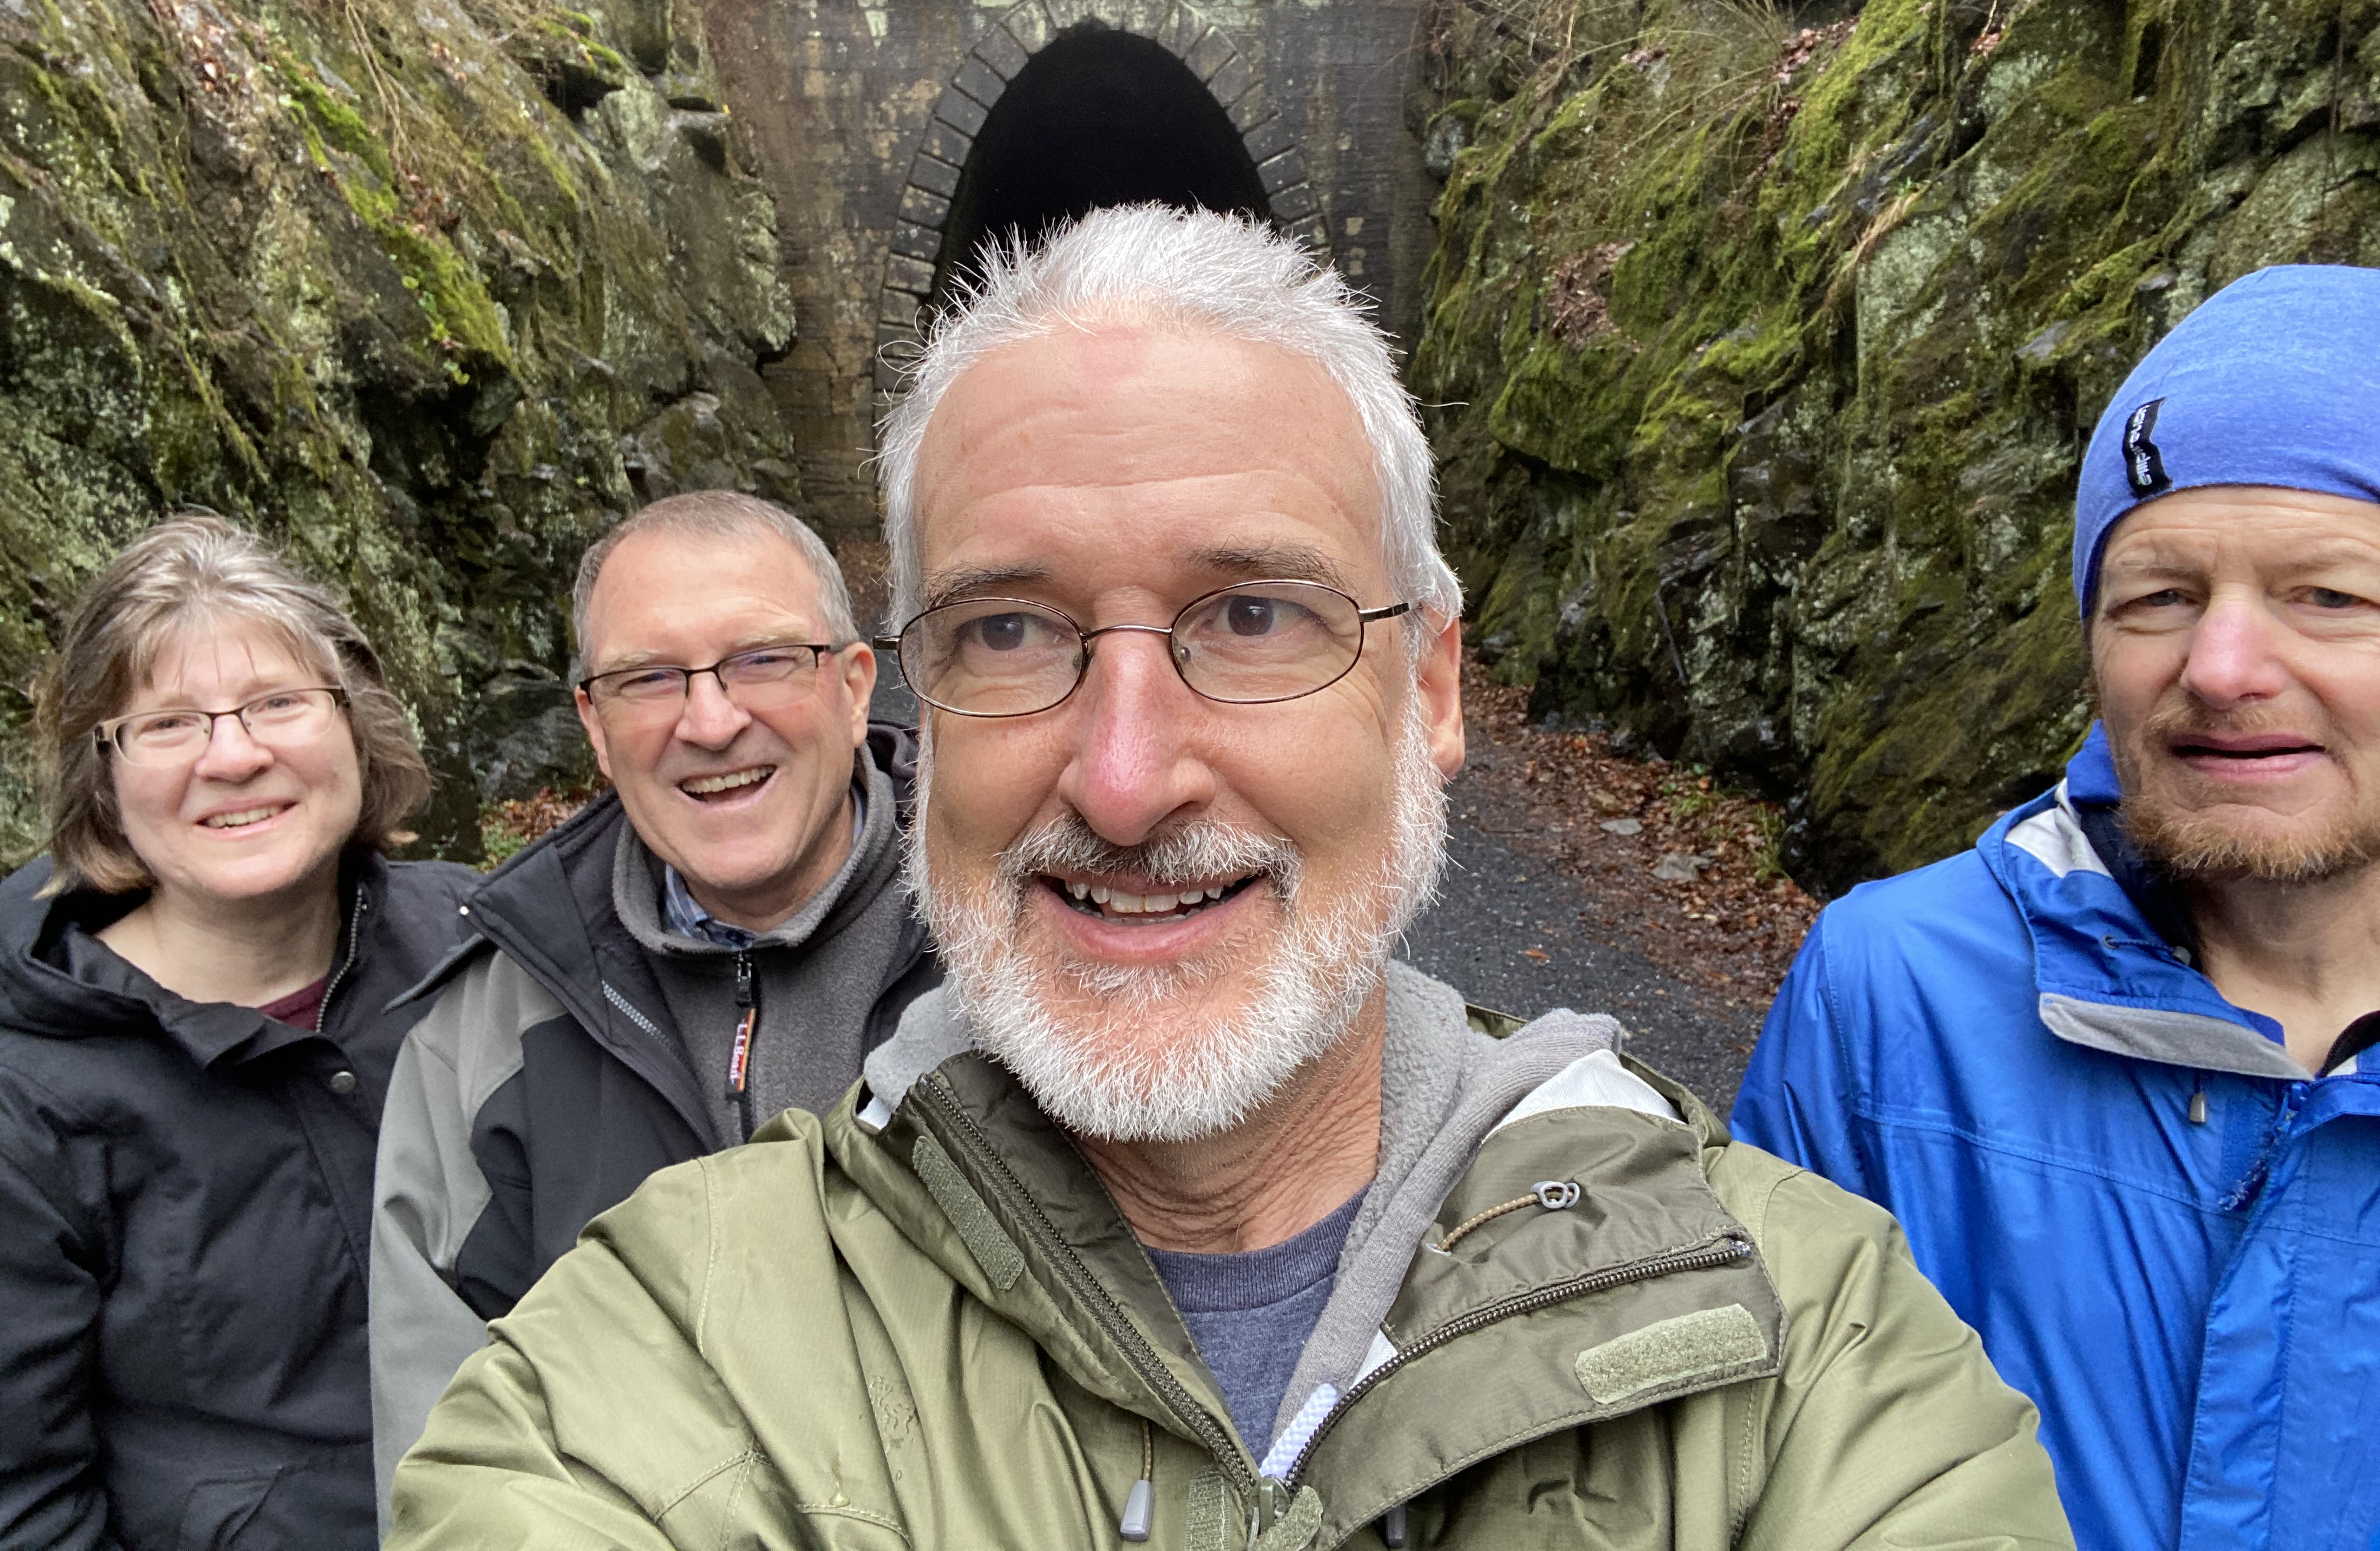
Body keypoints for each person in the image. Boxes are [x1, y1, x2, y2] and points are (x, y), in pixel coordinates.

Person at [385, 208, 2070, 1550]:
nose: (1125, 782)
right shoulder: (663, 1354)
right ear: (921, 707)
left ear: (1429, 690)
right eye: (1010, 630)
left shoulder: (1813, 1356)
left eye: (1254, 617)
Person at [1731, 263, 2380, 1551]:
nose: (2222, 668)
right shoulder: (1895, 995)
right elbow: (1756, 1466)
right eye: (2160, 597)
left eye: (2329, 595)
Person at [368, 489, 936, 1503]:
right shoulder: (489, 1033)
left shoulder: (1015, 951)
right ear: (594, 724)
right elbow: (451, 1457)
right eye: (649, 679)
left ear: (857, 687)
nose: (710, 722)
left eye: (763, 661)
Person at [0, 513, 474, 1551]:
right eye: (169, 724)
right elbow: (24, 1507)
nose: (234, 755)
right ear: (102, 774)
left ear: (356, 723)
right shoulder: (29, 1085)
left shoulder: (487, 949)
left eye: (277, 703)